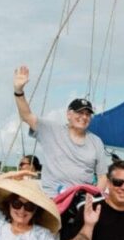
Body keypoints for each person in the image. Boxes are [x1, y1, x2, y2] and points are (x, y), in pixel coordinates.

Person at [12, 65, 108, 196]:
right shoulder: (51, 130)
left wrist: (93, 197)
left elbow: (103, 177)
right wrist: (19, 91)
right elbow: (26, 116)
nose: (84, 117)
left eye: (87, 114)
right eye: (79, 113)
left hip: (82, 199)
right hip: (53, 197)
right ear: (69, 114)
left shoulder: (96, 142)